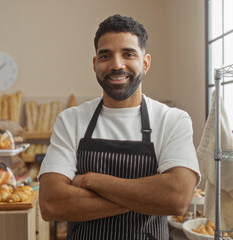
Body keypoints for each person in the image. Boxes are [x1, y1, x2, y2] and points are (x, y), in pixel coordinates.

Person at [38, 14, 200, 240]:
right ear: (95, 64)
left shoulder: (172, 120)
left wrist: (90, 180)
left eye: (128, 54)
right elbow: (51, 203)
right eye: (106, 55)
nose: (116, 64)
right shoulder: (70, 120)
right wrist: (149, 197)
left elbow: (176, 198)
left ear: (145, 63)